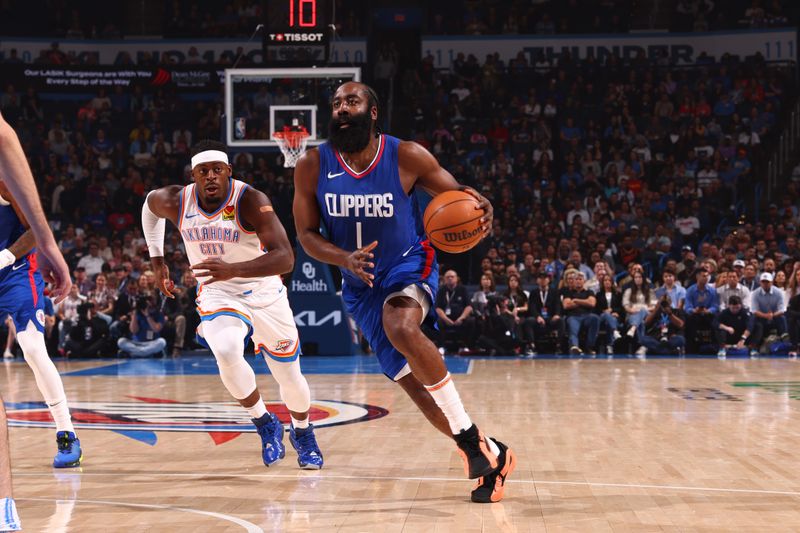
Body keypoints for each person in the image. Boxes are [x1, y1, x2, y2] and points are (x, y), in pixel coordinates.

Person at [293, 81, 513, 503]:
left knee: (401, 326)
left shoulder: (406, 155)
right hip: (359, 284)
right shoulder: (312, 164)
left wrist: (480, 204)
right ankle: (490, 451)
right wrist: (342, 259)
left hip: (408, 261)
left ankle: (468, 442)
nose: (341, 108)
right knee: (413, 385)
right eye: (336, 103)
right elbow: (305, 234)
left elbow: (456, 197)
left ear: (372, 112)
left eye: (351, 101)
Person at [143, 140, 323, 469]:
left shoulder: (251, 200)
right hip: (217, 292)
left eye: (216, 170)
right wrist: (157, 260)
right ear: (193, 176)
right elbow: (148, 207)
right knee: (225, 348)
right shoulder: (176, 200)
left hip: (264, 290)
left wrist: (235, 269)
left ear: (228, 171)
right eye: (203, 172)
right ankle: (264, 422)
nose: (210, 176)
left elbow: (285, 258)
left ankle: (302, 431)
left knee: (290, 377)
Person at [0, 180, 83, 468]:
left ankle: (66, 432)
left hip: (16, 272)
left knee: (33, 348)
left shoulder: (4, 184)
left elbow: (36, 229)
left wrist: (6, 256)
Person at [434, 270, 474, 353]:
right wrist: (445, 319)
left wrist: (461, 318)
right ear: (444, 279)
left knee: (471, 321)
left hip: (460, 317)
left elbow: (469, 307)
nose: (450, 278)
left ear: (456, 278)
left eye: (452, 277)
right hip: (446, 318)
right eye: (447, 277)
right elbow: (438, 308)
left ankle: (465, 346)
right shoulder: (441, 290)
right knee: (437, 322)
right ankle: (441, 346)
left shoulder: (462, 289)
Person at [560, 270, 600, 355]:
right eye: (576, 279)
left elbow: (592, 303)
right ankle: (575, 347)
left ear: (584, 281)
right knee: (572, 326)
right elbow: (566, 305)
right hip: (573, 316)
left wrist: (576, 301)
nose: (578, 281)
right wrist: (585, 303)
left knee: (595, 318)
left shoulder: (589, 292)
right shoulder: (568, 292)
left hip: (587, 316)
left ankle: (589, 347)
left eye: (580, 279)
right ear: (574, 281)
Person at [749, 272, 789, 355]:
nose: (765, 284)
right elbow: (754, 310)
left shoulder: (778, 292)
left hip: (775, 317)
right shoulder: (755, 293)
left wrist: (772, 315)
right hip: (761, 317)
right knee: (754, 319)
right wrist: (766, 315)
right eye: (763, 281)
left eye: (767, 282)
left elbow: (782, 309)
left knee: (782, 318)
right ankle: (754, 346)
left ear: (771, 282)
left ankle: (785, 340)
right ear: (760, 282)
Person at [684, 267, 720, 353]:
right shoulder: (690, 290)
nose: (706, 278)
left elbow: (715, 306)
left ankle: (715, 347)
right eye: (703, 276)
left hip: (708, 314)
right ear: (697, 277)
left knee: (716, 319)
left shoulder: (713, 291)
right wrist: (693, 310)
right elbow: (687, 307)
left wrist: (709, 311)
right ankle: (690, 348)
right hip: (695, 315)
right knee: (689, 320)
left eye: (707, 276)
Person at [595, 275, 623, 355]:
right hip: (601, 317)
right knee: (606, 315)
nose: (607, 282)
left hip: (614, 317)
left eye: (609, 280)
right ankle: (615, 331)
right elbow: (596, 309)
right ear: (602, 283)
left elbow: (621, 308)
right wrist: (604, 311)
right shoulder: (598, 295)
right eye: (605, 280)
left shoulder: (617, 294)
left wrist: (614, 311)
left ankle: (609, 346)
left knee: (609, 321)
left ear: (612, 282)